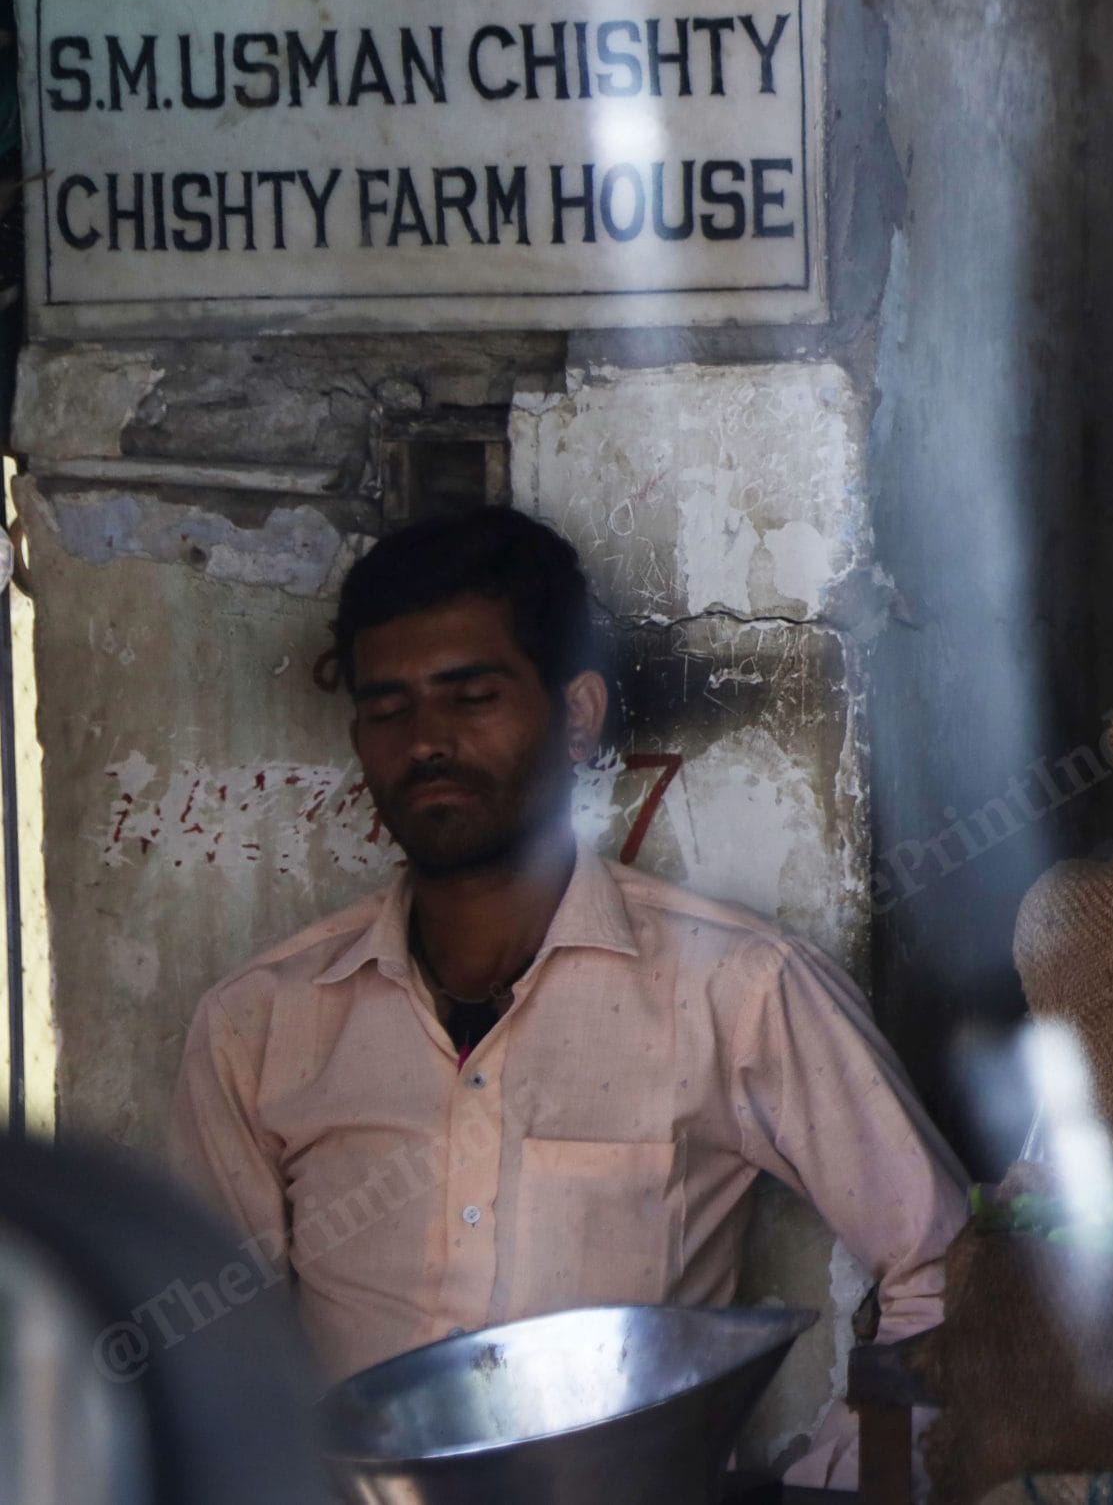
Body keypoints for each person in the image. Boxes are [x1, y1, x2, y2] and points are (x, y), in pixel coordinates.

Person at [165, 506, 966, 1486]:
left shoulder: (733, 987)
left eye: (472, 696)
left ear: (577, 716)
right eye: (389, 708)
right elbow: (206, 1342)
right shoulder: (261, 1020)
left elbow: (951, 1268)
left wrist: (836, 1483)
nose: (427, 742)